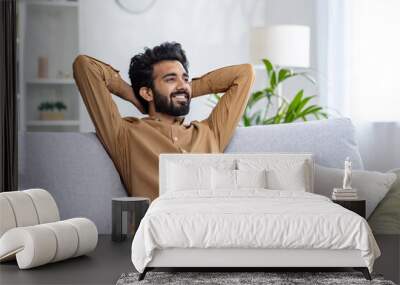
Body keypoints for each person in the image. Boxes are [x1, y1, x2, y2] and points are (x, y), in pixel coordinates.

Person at [73, 42, 255, 201]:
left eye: (185, 78)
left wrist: (183, 91)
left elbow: (245, 74)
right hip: (164, 234)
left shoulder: (211, 132)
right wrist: (136, 97)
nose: (183, 84)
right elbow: (85, 66)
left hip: (216, 229)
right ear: (148, 92)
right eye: (170, 79)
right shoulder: (125, 135)